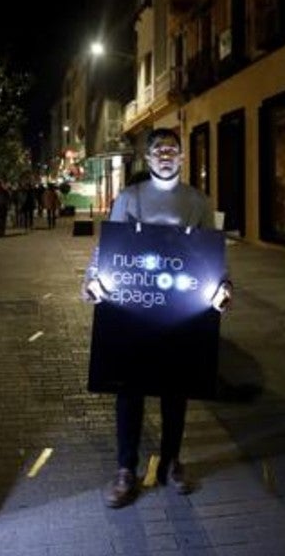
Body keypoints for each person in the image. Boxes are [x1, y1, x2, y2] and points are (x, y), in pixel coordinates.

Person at [81, 127, 232, 509]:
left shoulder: (198, 202)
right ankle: (125, 469)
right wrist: (91, 279)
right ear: (147, 159)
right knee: (129, 389)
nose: (166, 154)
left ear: (182, 157)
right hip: (133, 307)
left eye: (172, 149)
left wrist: (224, 286)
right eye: (158, 150)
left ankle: (170, 462)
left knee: (175, 389)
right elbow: (108, 247)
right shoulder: (130, 197)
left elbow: (215, 255)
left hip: (181, 312)